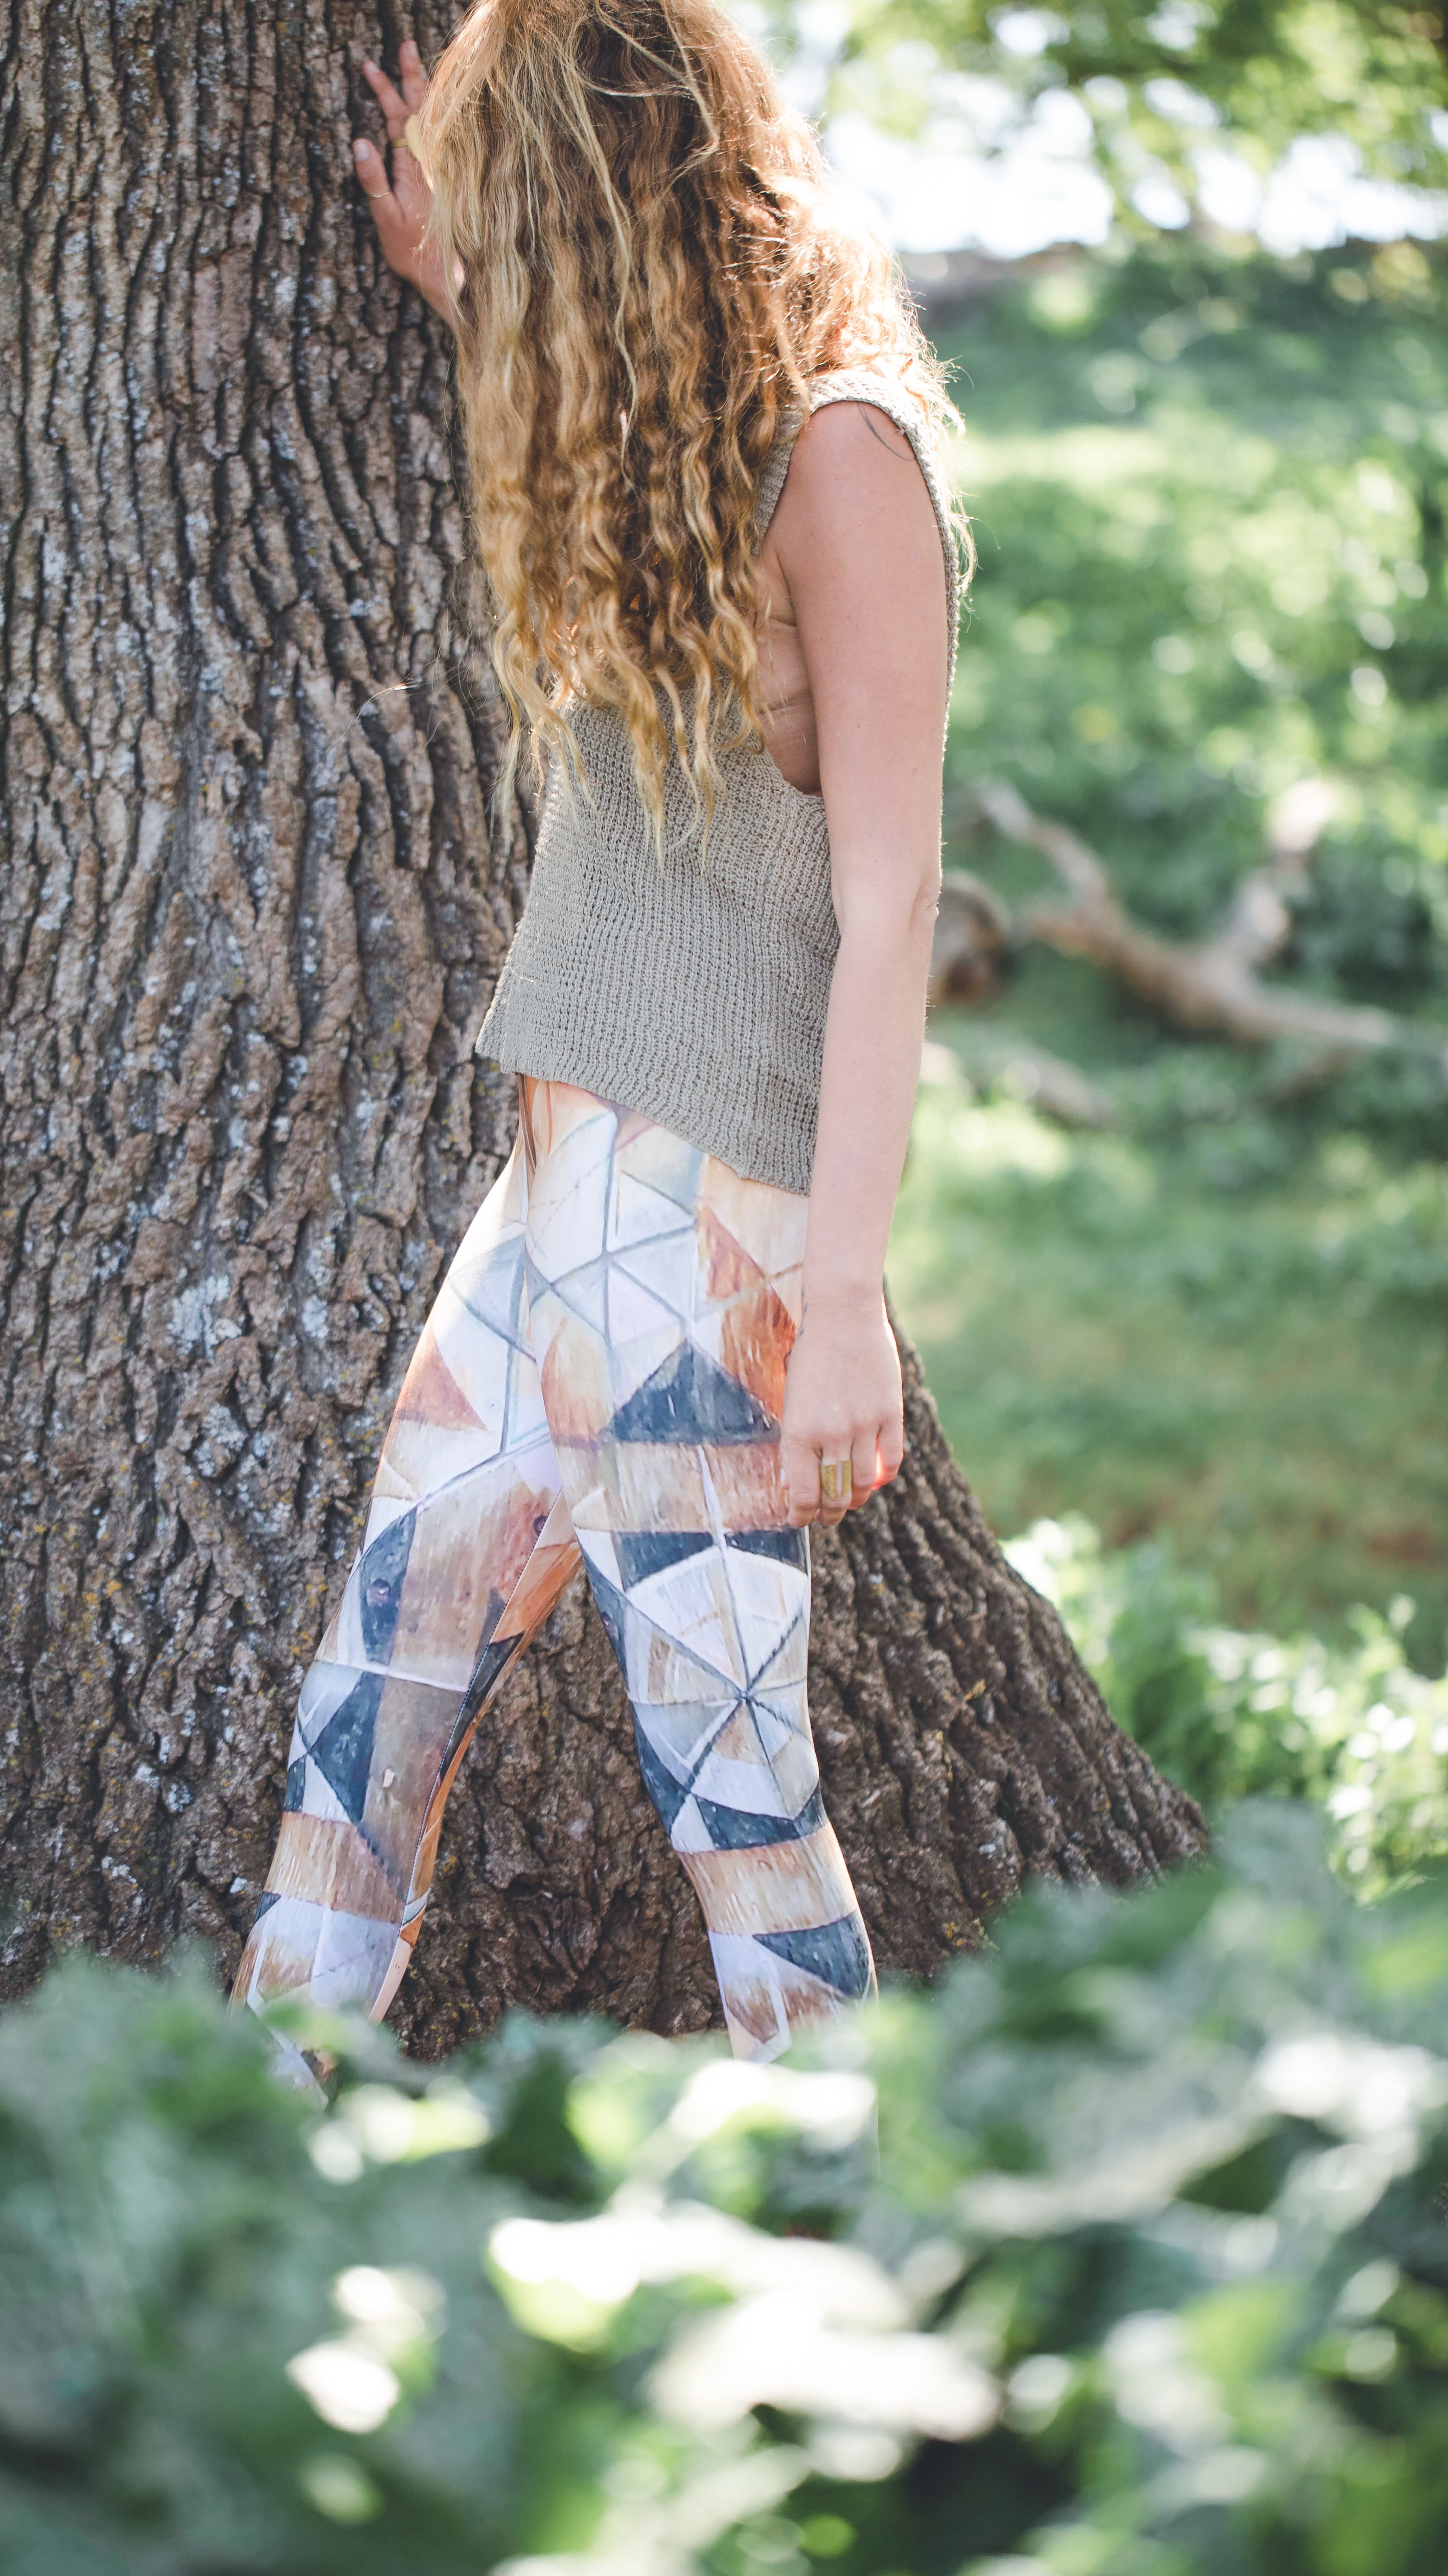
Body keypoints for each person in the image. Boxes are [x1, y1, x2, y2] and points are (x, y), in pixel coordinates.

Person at [235, 0, 963, 2077]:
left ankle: (860, 2268)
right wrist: (459, 292)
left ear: (611, 201)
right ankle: (217, 2175)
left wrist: (838, 1295)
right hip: (550, 1204)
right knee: (369, 1719)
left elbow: (895, 895)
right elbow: (591, 402)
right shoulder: (640, 433)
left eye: (524, 217)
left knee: (739, 1803)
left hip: (707, 1226)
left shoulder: (844, 453)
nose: (506, 257)